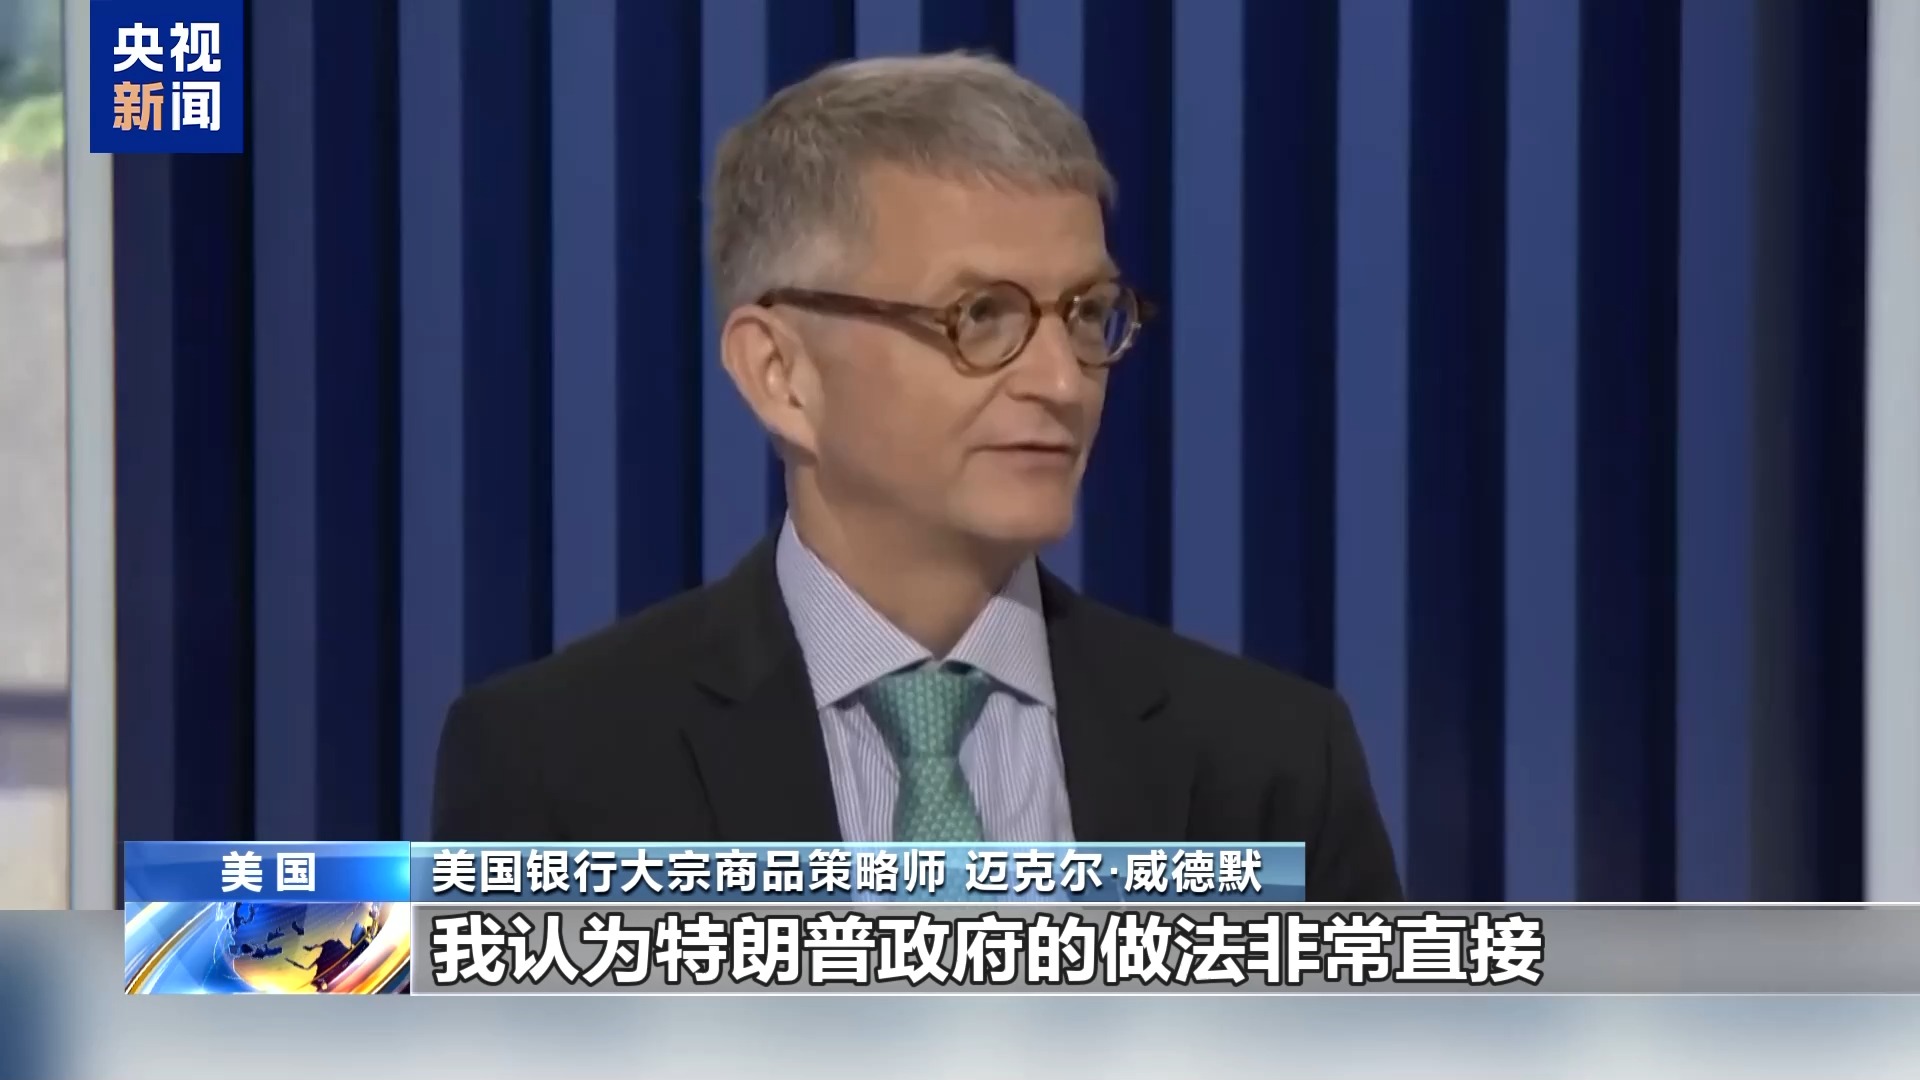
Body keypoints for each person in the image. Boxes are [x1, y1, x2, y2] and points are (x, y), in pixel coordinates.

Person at [431, 52, 1402, 902]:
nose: (1063, 382)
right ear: (781, 375)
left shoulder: (1275, 766)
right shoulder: (553, 764)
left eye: (1084, 314)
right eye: (980, 316)